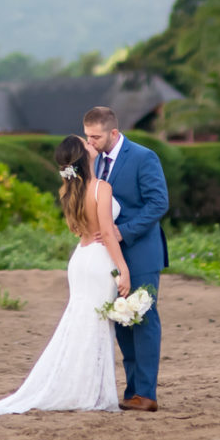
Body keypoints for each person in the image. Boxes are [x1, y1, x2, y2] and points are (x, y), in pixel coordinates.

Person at [0, 133, 132, 418]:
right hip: (98, 260)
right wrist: (123, 268)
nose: (90, 144)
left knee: (81, 321)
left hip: (80, 258)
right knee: (96, 324)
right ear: (84, 157)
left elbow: (77, 229)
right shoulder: (101, 188)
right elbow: (108, 233)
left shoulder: (69, 191)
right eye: (86, 144)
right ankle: (90, 392)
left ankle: (83, 388)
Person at [83, 105, 169, 412]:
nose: (90, 142)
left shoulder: (144, 157)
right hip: (107, 256)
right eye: (87, 136)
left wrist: (123, 232)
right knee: (121, 321)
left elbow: (159, 202)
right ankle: (132, 390)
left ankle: (146, 394)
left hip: (142, 252)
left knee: (142, 318)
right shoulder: (93, 161)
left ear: (114, 133)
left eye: (96, 137)